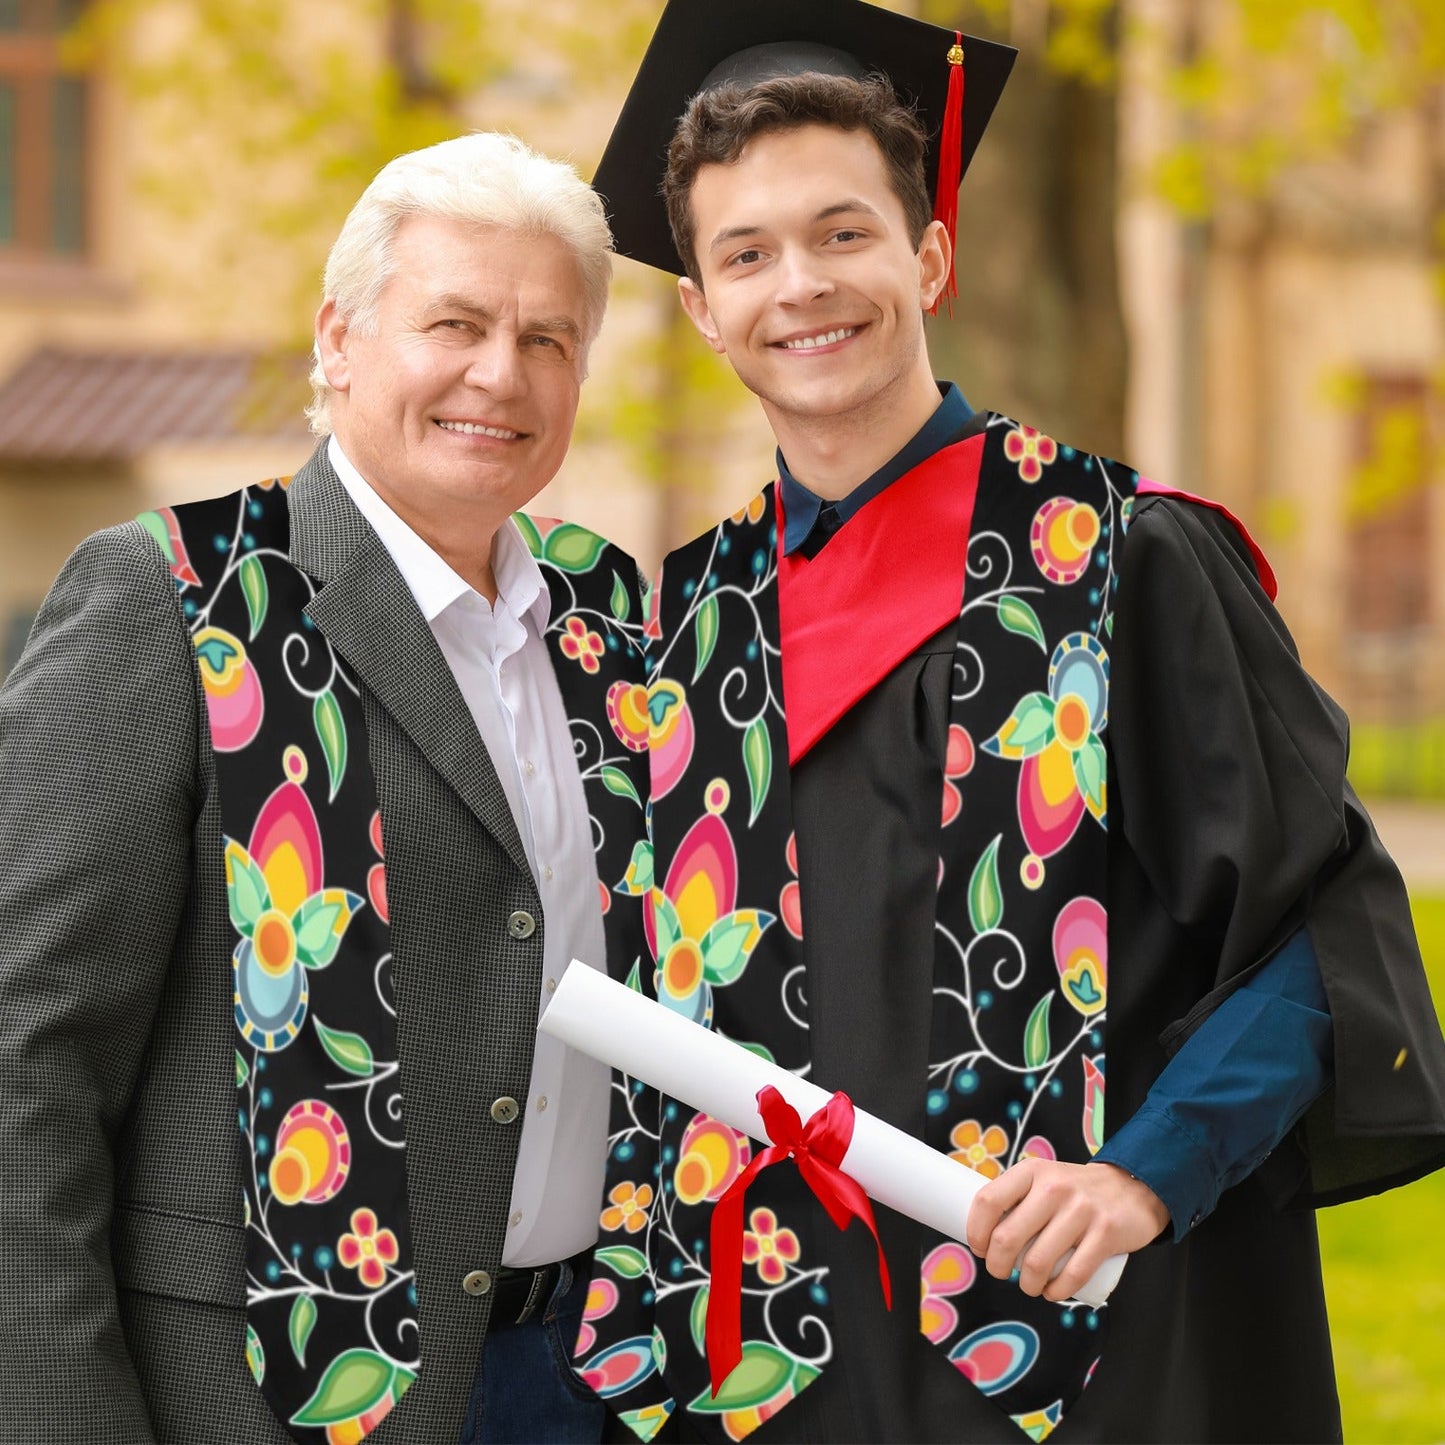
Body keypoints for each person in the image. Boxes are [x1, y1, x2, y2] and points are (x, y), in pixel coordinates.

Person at [570, 2, 1445, 1441]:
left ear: (929, 256)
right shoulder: (687, 625)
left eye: (843, 233)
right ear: (703, 310)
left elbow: (1322, 932)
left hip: (1089, 1348)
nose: (801, 284)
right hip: (780, 1368)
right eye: (747, 253)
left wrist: (1145, 1174)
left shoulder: (1121, 560)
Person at [0, 132, 650, 1445]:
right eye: (455, 323)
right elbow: (28, 1057)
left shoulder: (607, 617)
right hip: (270, 1395)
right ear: (339, 340)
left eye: (547, 339)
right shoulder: (176, 599)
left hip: (590, 1382)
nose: (500, 373)